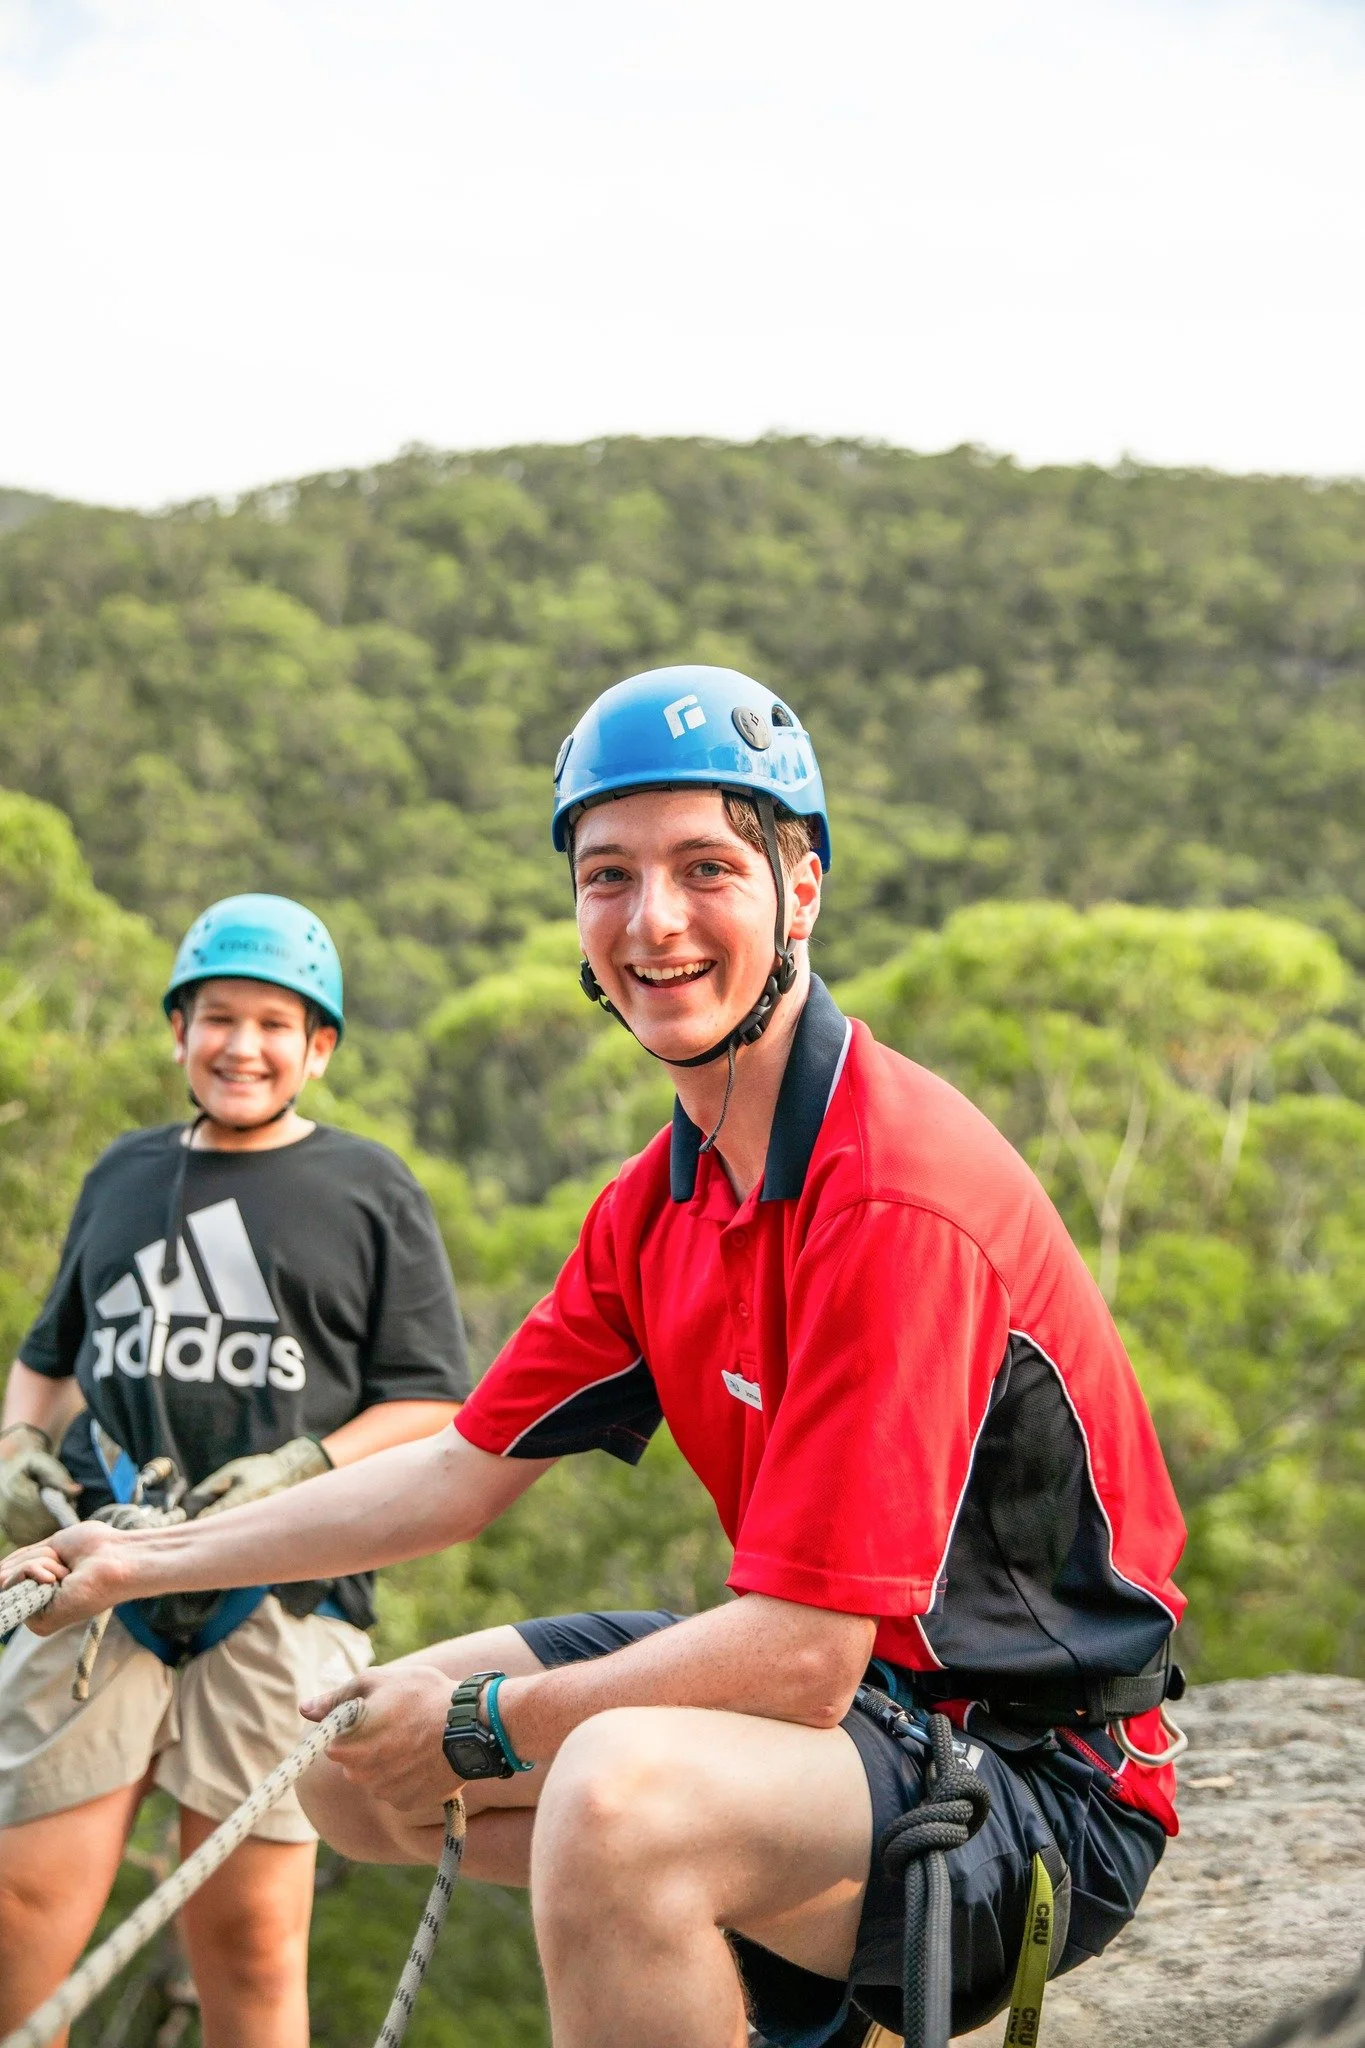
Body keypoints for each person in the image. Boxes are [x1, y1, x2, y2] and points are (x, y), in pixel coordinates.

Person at [4, 674, 1188, 2048]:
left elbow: (802, 1658)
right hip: (869, 1713)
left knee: (609, 1798)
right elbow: (456, 1470)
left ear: (801, 889)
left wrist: (487, 1727)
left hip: (1040, 1777)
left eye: (707, 870)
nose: (654, 922)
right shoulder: (661, 1200)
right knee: (341, 1768)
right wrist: (138, 1562)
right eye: (608, 876)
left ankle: (701, 1901)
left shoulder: (888, 1196)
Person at [0, 893, 470, 2048]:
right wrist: (17, 1443)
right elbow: (50, 1355)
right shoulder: (122, 1173)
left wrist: (307, 1461)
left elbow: (432, 1402)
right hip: (102, 1570)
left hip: (281, 1593)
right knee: (16, 1918)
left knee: (253, 1941)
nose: (242, 1045)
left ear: (320, 1047)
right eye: (217, 1016)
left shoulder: (369, 1188)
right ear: (179, 1030)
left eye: (275, 1022)